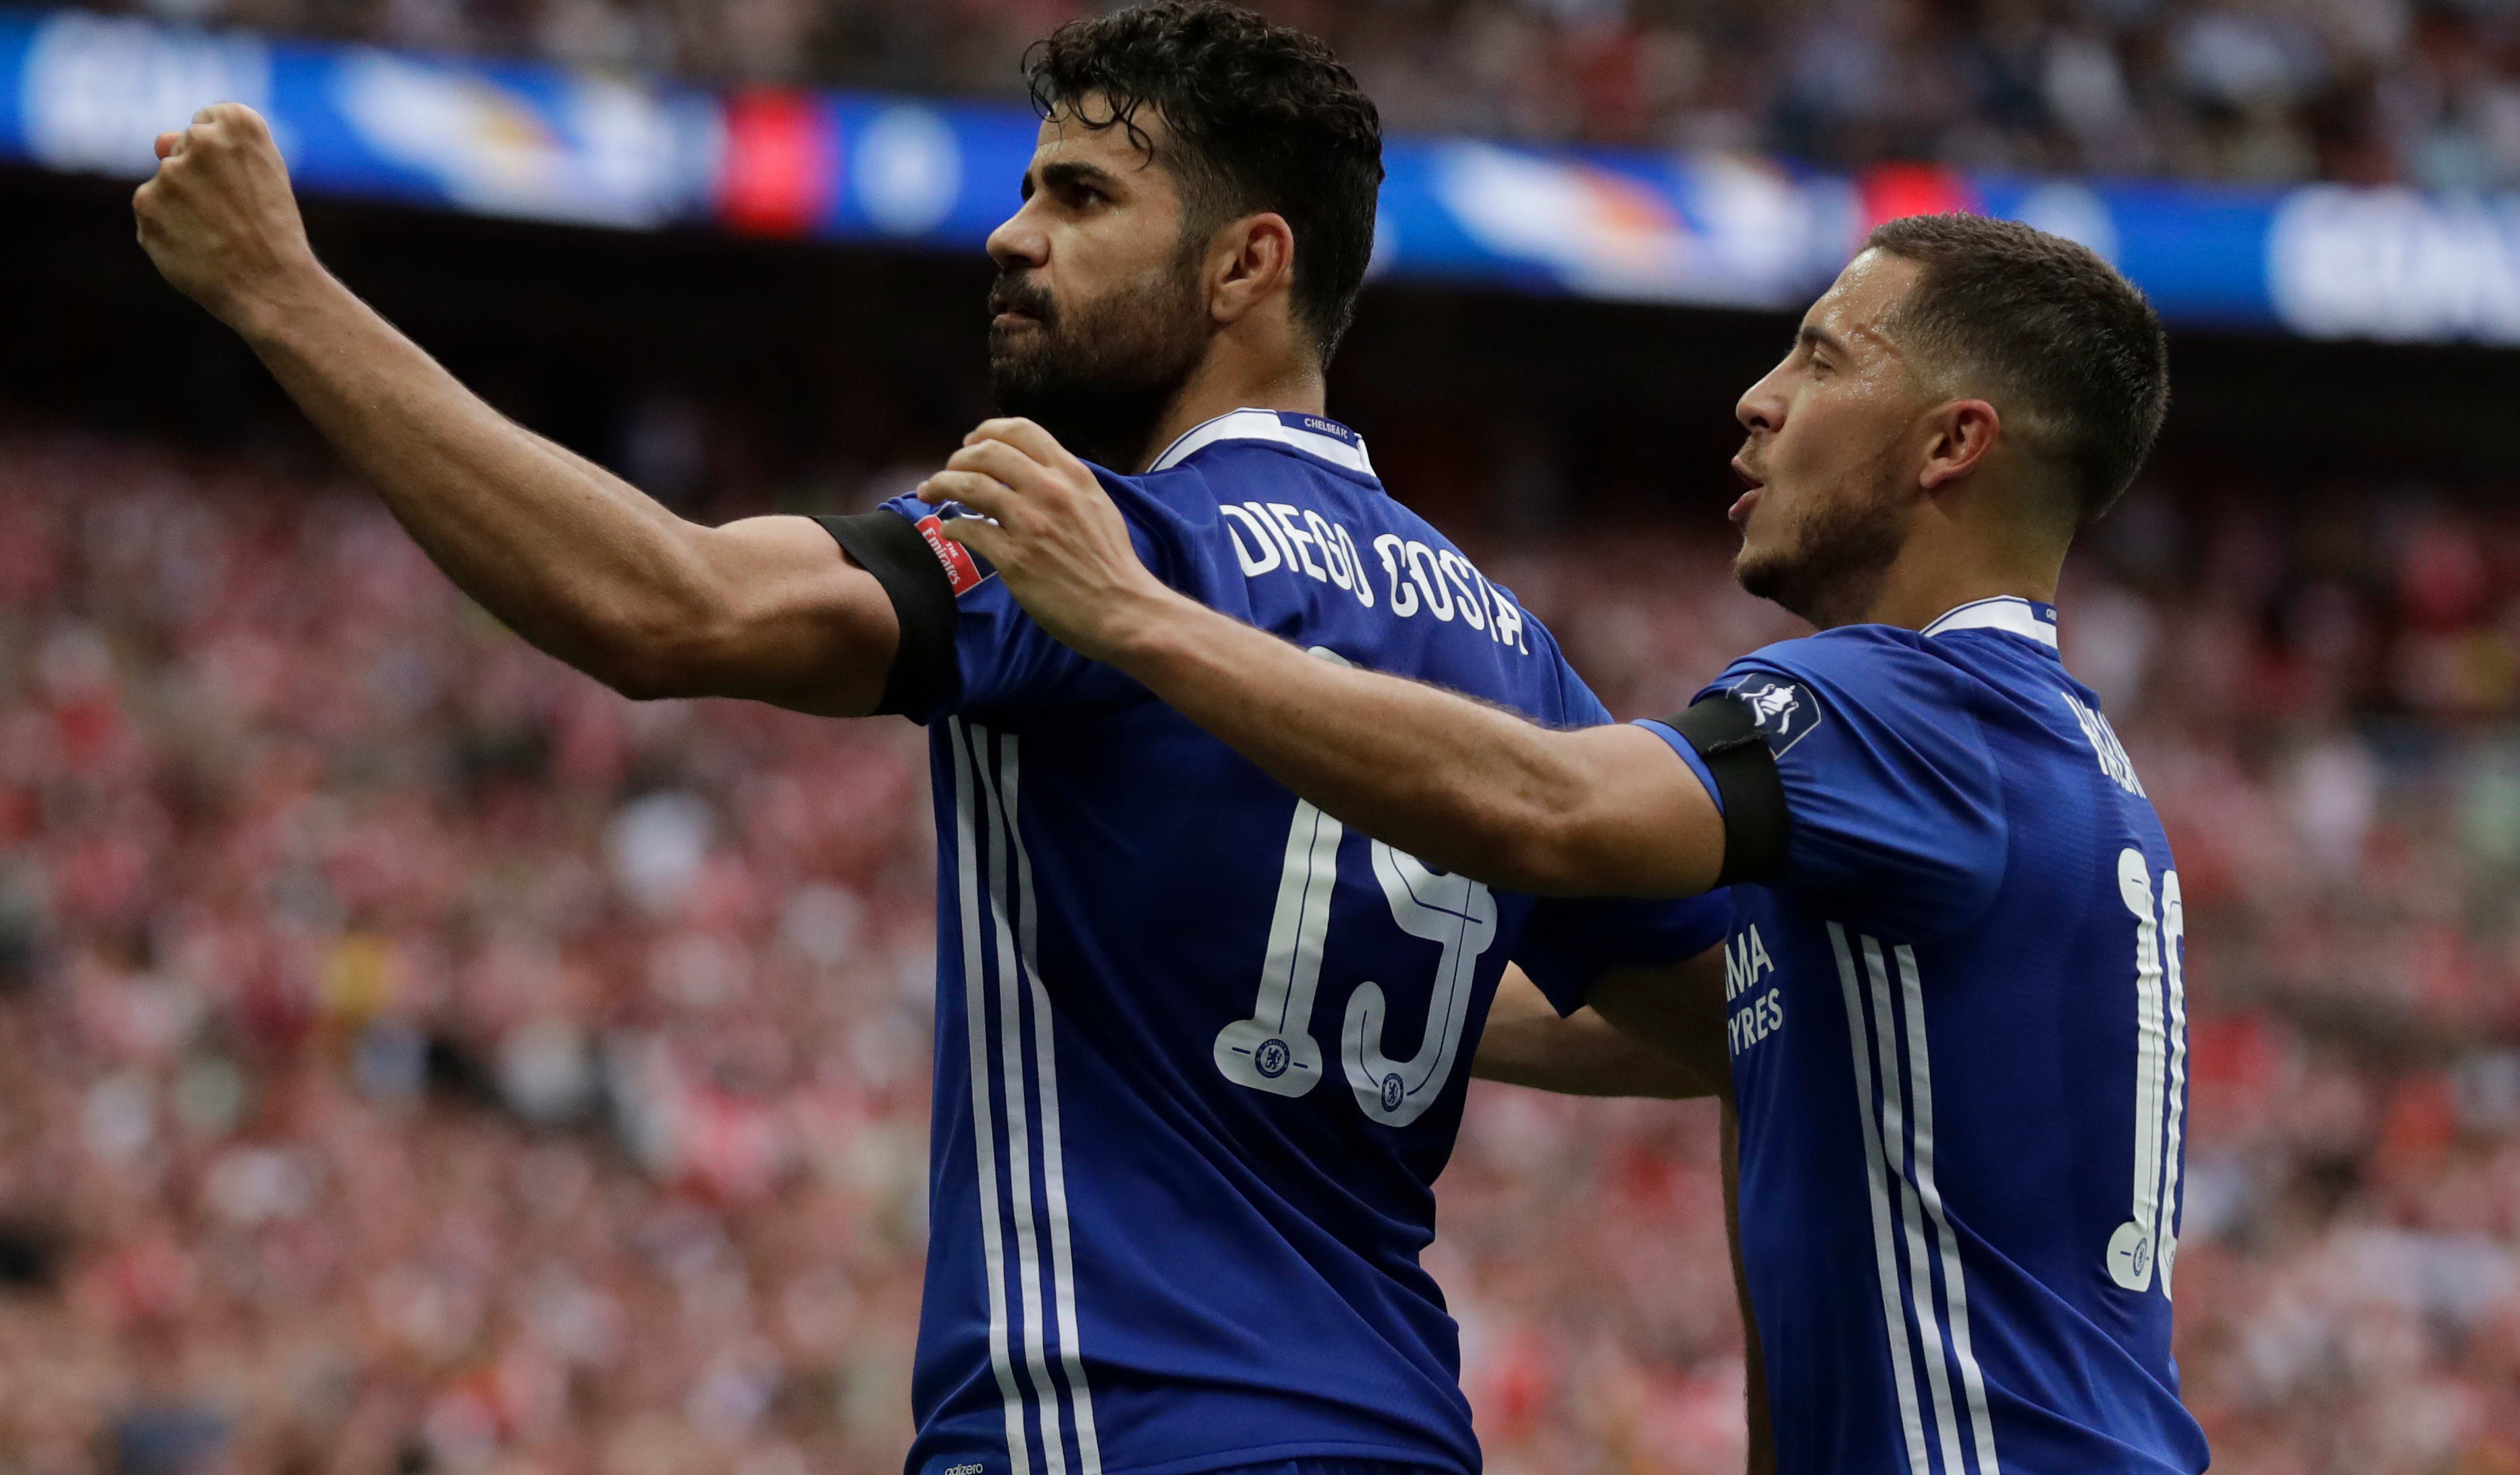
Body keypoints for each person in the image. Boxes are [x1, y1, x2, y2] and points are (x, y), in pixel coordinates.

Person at [127, 0, 1734, 1475]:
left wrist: (281, 294)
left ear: (1245, 265)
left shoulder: (1093, 540)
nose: (1008, 233)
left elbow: (661, 605)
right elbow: (1719, 1024)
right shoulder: (1505, 647)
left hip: (1111, 1428)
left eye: (1080, 198)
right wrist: (1400, 994)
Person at [919, 213, 2213, 1474]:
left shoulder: (1907, 709)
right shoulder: (2053, 763)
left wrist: (1135, 614)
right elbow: (1716, 1022)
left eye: (1822, 358)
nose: (1759, 399)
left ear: (1953, 443)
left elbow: (1551, 807)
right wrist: (1219, 965)